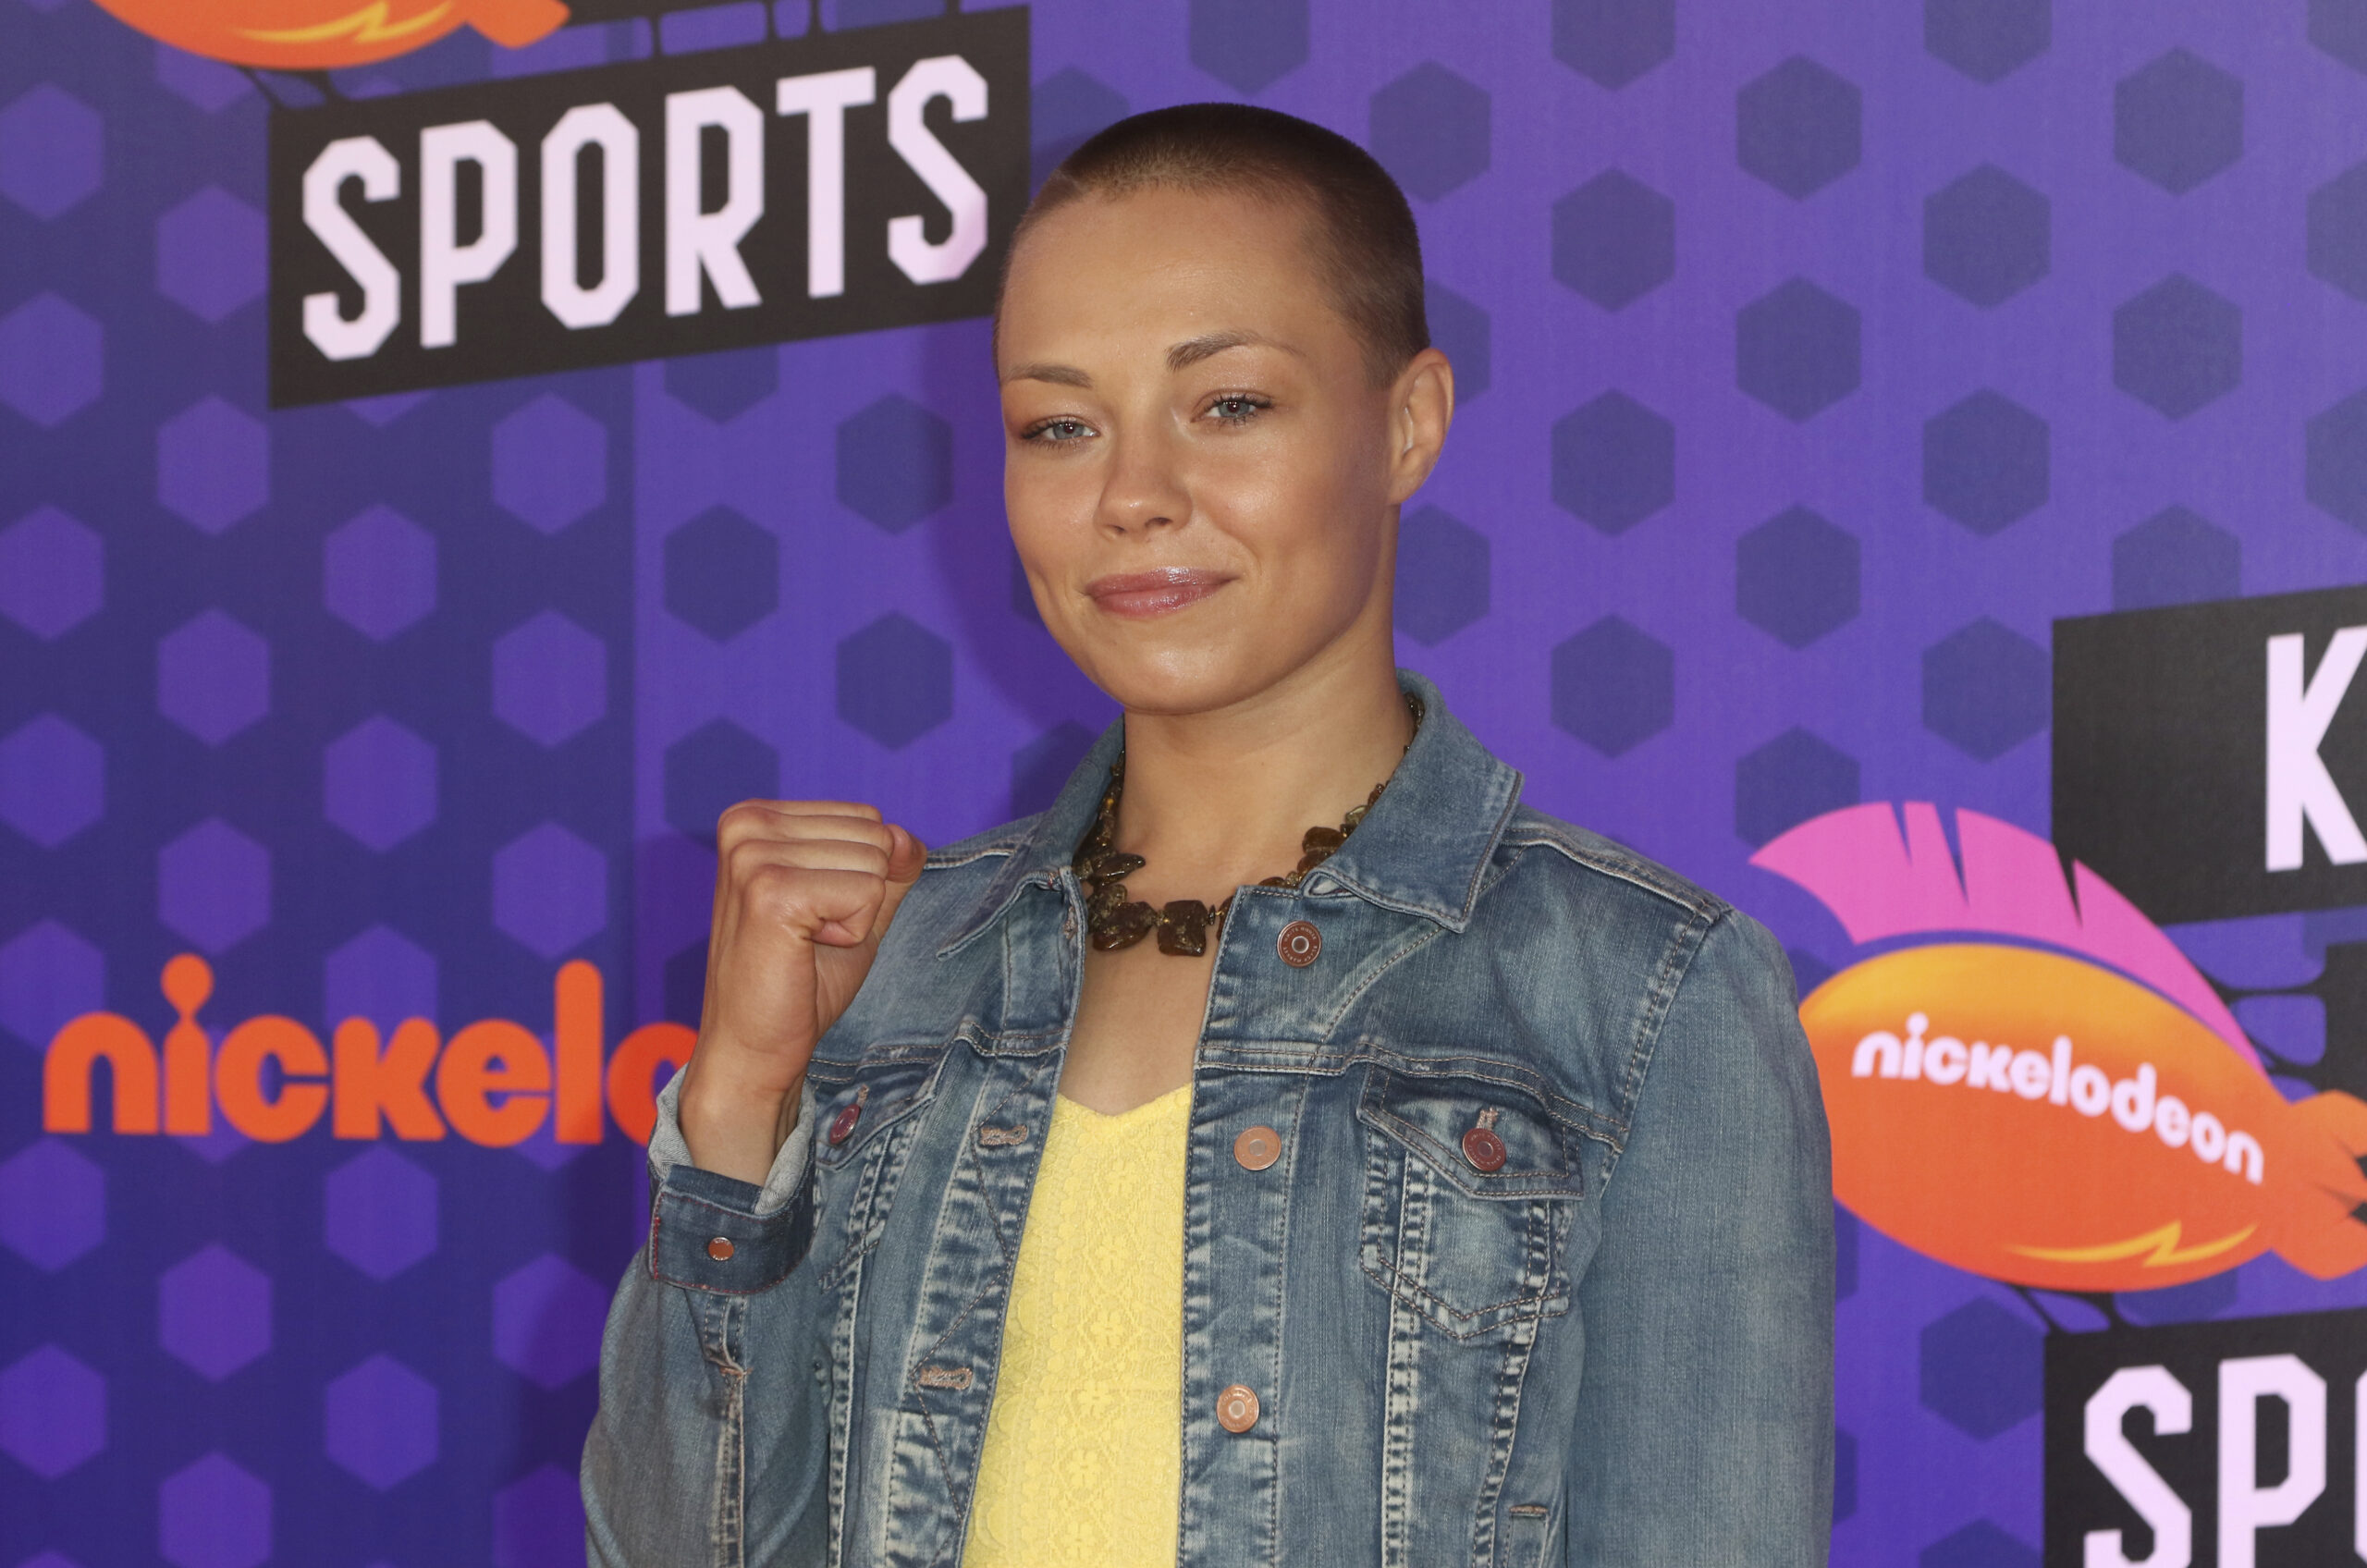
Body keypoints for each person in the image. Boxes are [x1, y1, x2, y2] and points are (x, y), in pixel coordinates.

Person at [583, 102, 1833, 1568]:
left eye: (1228, 405)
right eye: (1059, 426)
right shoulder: (891, 965)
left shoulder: (1638, 996)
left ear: (1410, 425)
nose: (1132, 497)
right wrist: (743, 1100)